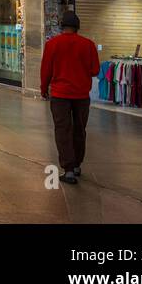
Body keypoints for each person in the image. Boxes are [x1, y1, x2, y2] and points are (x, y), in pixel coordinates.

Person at [40, 11, 100, 185]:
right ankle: (77, 164)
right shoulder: (88, 45)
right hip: (81, 95)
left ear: (61, 26)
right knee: (79, 129)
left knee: (63, 130)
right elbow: (95, 70)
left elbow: (46, 70)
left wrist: (44, 89)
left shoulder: (53, 44)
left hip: (59, 95)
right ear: (77, 27)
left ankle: (68, 169)